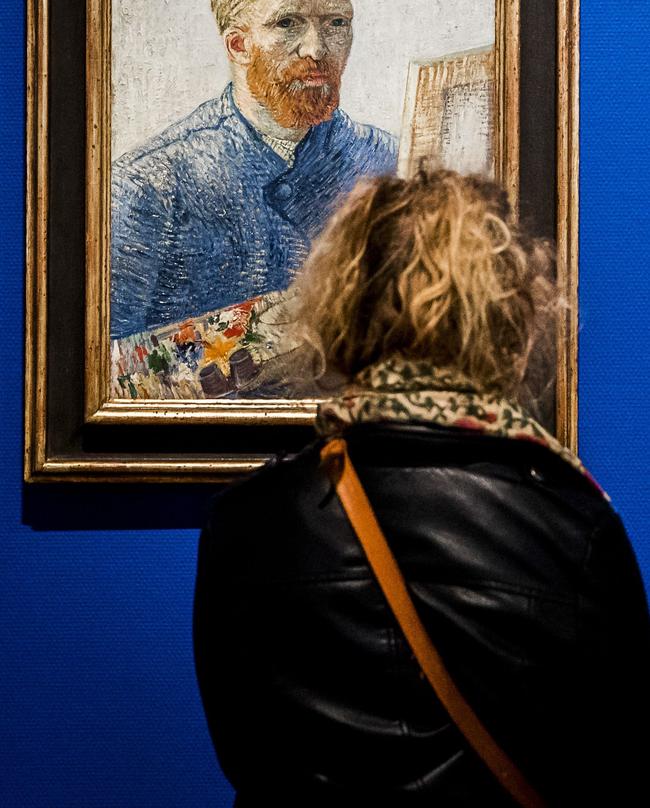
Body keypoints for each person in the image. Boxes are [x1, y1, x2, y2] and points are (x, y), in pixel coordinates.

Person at [193, 170, 649, 806]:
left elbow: (245, 756)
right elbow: (611, 767)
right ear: (507, 318)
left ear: (341, 306)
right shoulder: (578, 527)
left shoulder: (249, 520)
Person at [111, 0, 397, 339]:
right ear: (238, 45)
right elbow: (96, 370)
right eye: (287, 23)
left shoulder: (391, 162)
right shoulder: (146, 186)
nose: (317, 49)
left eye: (336, 22)